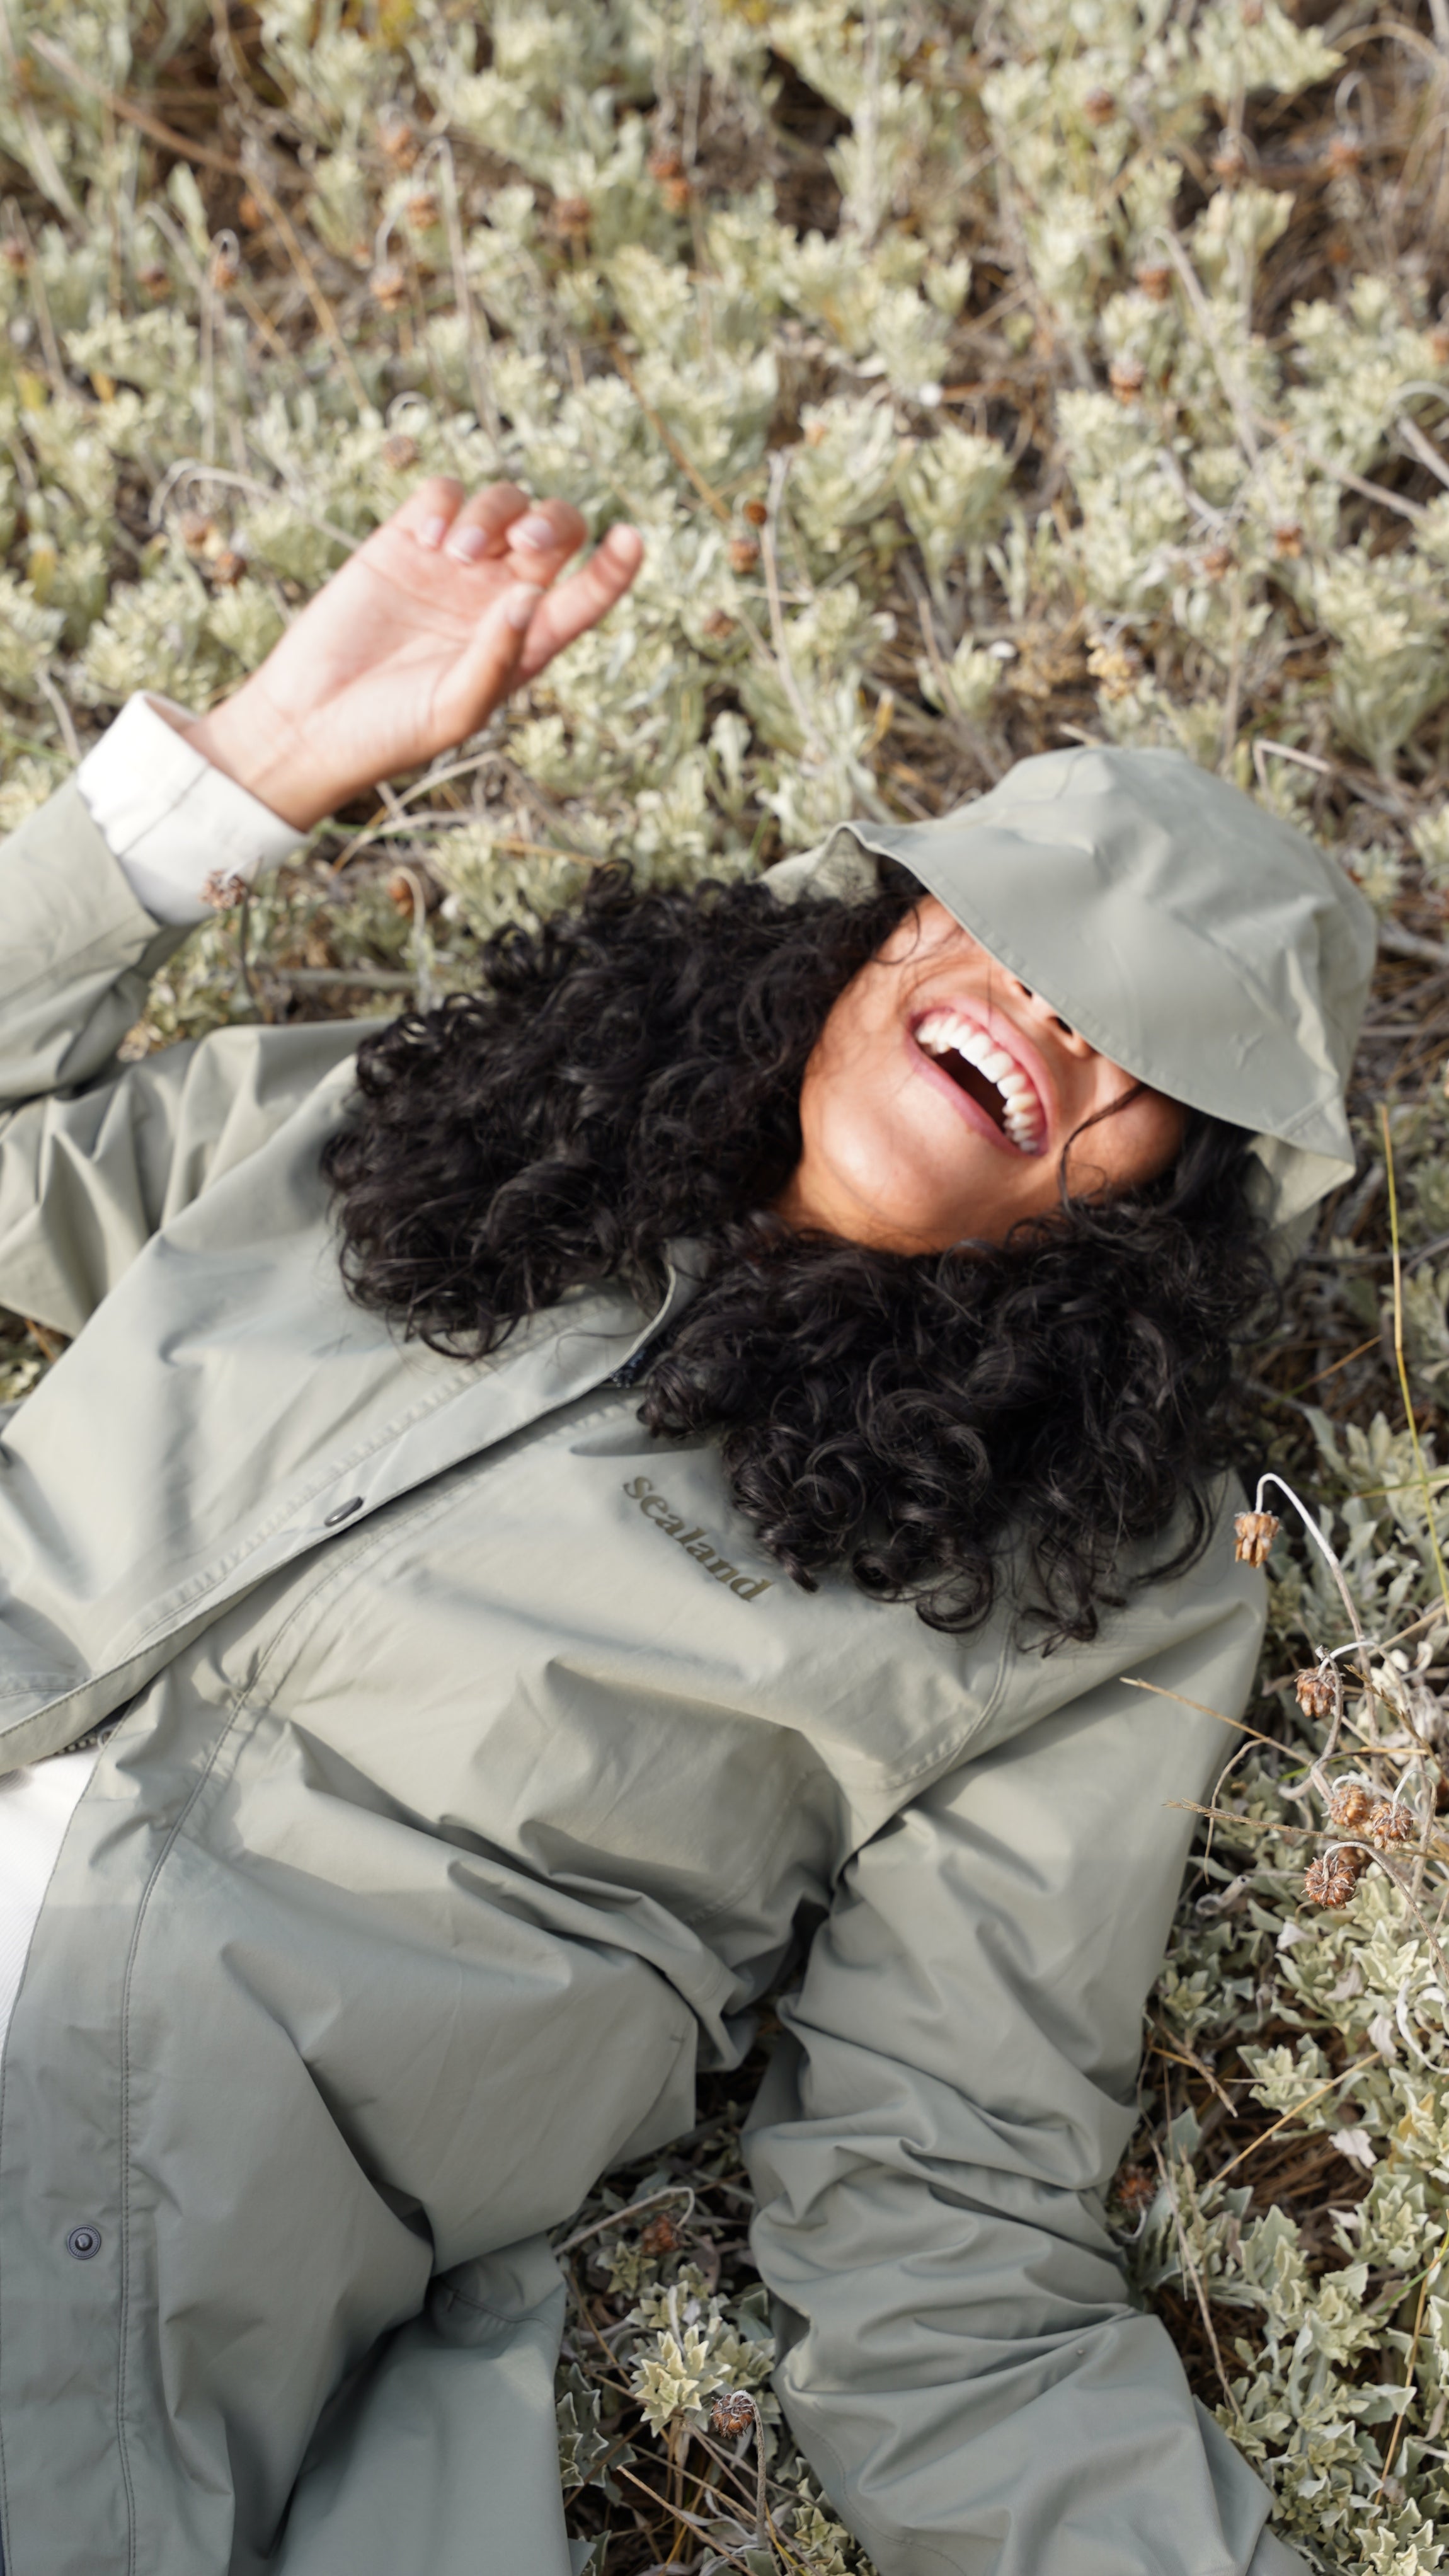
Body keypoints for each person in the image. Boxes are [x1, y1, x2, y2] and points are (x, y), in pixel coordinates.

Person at [0, 480, 1372, 2576]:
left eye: (1152, 1043)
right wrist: (249, 764)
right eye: (1015, 927)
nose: (1055, 1015)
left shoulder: (1076, 1588)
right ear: (877, 934)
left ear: (1171, 1195)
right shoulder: (424, 1128)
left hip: (132, 2175)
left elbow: (943, 2226)